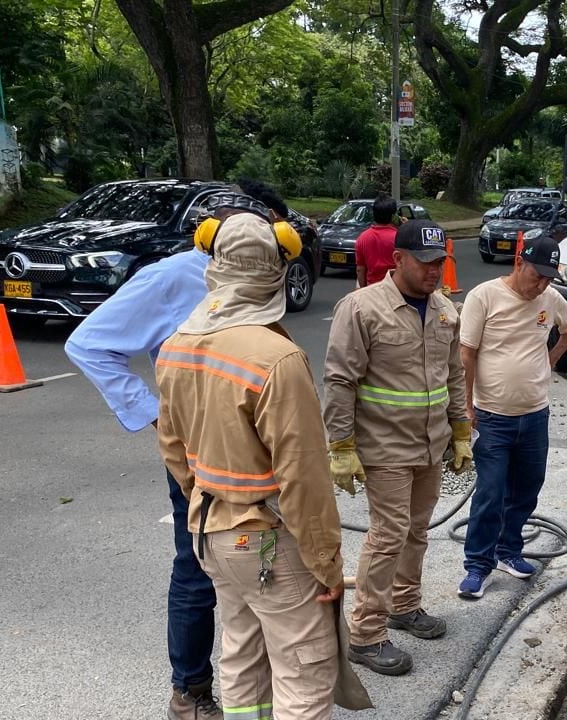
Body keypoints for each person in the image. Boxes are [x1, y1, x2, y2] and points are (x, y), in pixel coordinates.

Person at [63, 178, 292, 720]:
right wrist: (156, 415)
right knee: (197, 567)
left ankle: (257, 681)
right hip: (199, 453)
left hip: (259, 448)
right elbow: (89, 344)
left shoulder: (261, 282)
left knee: (260, 560)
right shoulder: (170, 278)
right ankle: (189, 691)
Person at [155, 199, 354, 719]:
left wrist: (207, 497)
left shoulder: (175, 347)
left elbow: (174, 452)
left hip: (211, 534)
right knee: (304, 672)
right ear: (277, 270)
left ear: (213, 266)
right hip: (268, 537)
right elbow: (305, 479)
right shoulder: (277, 359)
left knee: (243, 657)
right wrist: (327, 564)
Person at [323, 219, 471, 675]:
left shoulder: (445, 311)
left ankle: (404, 606)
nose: (433, 272)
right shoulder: (362, 309)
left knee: (417, 530)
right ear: (399, 259)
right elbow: (340, 380)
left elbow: (453, 375)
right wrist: (342, 444)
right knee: (387, 536)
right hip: (384, 445)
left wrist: (461, 430)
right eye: (425, 263)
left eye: (439, 263)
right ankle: (366, 634)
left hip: (430, 445)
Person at [456, 238, 567, 599]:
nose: (541, 285)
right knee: (490, 493)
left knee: (527, 489)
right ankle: (477, 566)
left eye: (548, 278)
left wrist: (552, 358)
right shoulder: (484, 297)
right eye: (536, 275)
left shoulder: (549, 299)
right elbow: (466, 355)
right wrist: (467, 408)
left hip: (534, 417)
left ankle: (508, 550)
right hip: (492, 417)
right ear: (518, 263)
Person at [355, 195, 401, 288]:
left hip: (372, 288)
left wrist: (364, 290)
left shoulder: (362, 238)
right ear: (393, 216)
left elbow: (360, 269)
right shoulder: (399, 237)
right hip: (395, 288)